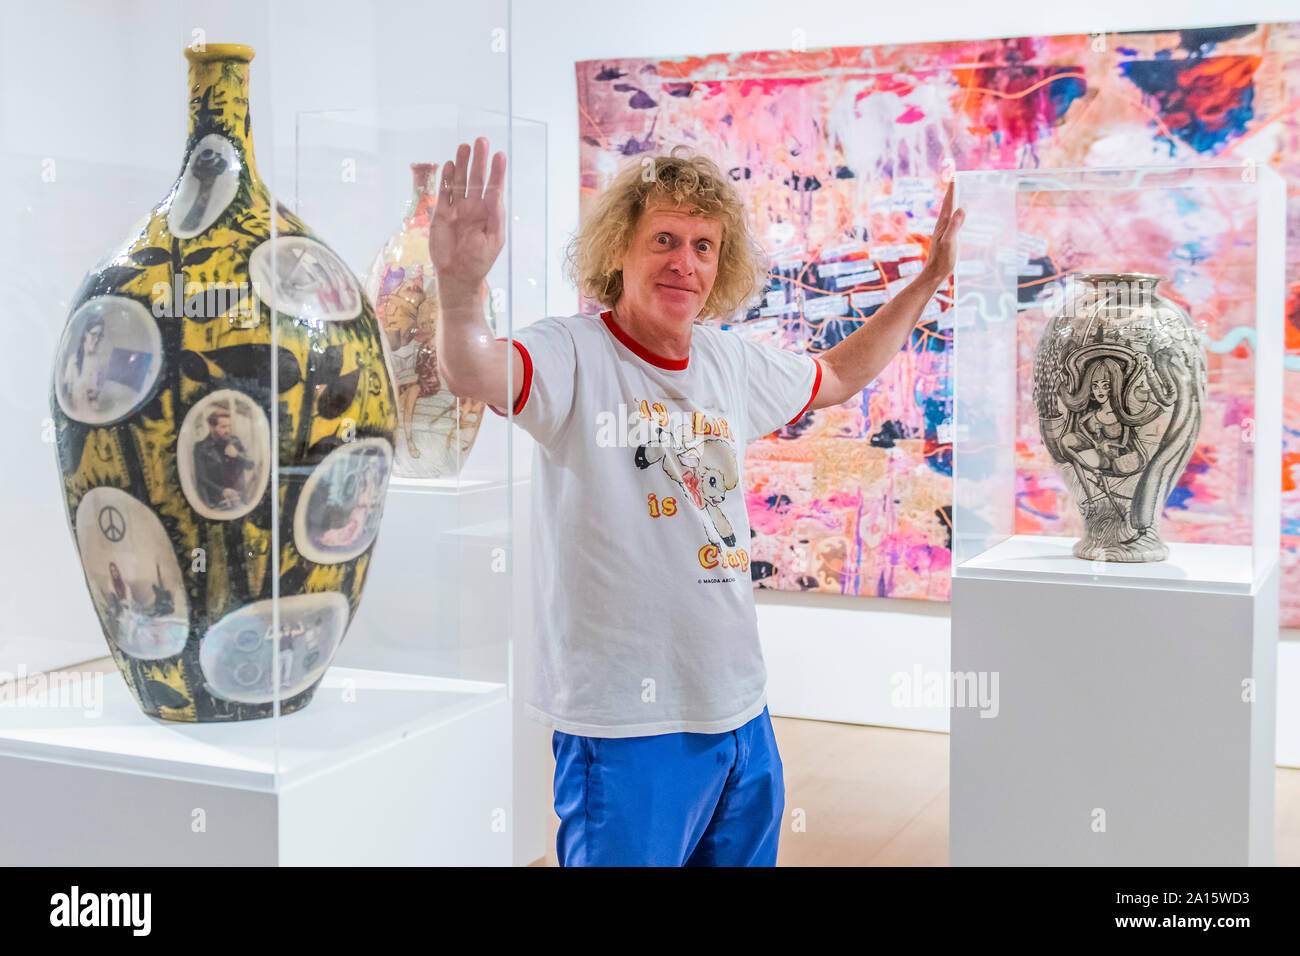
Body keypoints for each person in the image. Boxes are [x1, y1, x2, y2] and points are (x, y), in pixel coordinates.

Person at [431, 137, 963, 866]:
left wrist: (928, 281)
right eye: (664, 240)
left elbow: (837, 374)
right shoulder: (571, 354)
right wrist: (460, 291)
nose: (686, 262)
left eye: (704, 246)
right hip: (626, 727)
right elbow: (474, 370)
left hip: (740, 713)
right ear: (619, 248)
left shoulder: (727, 358)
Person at [192, 406, 254, 511]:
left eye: (229, 426)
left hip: (239, 501)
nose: (228, 430)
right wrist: (222, 491)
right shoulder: (201, 447)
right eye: (223, 427)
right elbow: (201, 478)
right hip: (217, 504)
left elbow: (250, 465)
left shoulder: (235, 441)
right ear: (211, 427)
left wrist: (237, 454)